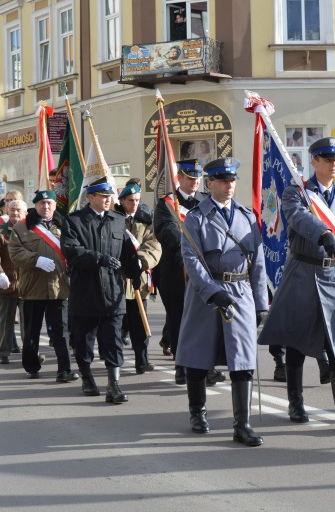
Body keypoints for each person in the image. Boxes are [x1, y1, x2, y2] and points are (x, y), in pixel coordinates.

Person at [259, 138, 335, 431]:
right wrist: (323, 232)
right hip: (304, 273)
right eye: (326, 158)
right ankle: (295, 403)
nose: (333, 163)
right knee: (297, 341)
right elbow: (297, 218)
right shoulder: (297, 193)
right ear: (314, 161)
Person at [175, 158, 267, 446]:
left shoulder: (247, 216)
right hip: (208, 293)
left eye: (232, 180)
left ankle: (242, 424)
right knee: (199, 356)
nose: (229, 186)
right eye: (222, 181)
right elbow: (191, 258)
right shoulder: (196, 217)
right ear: (209, 183)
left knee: (243, 358)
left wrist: (261, 302)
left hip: (239, 291)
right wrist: (212, 292)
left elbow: (258, 262)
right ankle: (197, 412)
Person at [62, 178, 142, 402]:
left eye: (110, 197)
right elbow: (72, 251)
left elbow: (127, 253)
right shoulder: (74, 221)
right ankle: (87, 377)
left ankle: (113, 385)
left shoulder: (117, 221)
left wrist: (135, 275)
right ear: (90, 197)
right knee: (84, 340)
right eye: (103, 197)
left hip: (113, 293)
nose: (108, 200)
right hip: (86, 291)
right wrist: (99, 259)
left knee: (113, 341)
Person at [152, 159, 225, 387]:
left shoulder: (205, 201)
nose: (194, 183)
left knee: (204, 320)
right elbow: (168, 234)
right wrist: (193, 246)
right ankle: (181, 366)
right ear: (180, 179)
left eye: (197, 179)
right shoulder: (166, 205)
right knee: (179, 319)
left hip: (203, 270)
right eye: (190, 178)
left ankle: (207, 367)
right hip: (174, 270)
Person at [8, 190, 77, 381]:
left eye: (49, 203)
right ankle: (31, 365)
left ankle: (65, 370)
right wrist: (35, 260)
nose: (46, 207)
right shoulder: (22, 228)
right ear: (35, 205)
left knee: (61, 332)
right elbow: (14, 252)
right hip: (33, 287)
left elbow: (74, 247)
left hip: (59, 286)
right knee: (32, 331)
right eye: (41, 203)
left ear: (55, 205)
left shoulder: (65, 224)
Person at [114, 182, 162, 374]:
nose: (134, 204)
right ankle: (115, 362)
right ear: (122, 201)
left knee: (139, 324)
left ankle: (142, 360)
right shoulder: (114, 220)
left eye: (137, 200)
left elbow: (153, 245)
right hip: (117, 280)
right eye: (130, 200)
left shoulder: (145, 220)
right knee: (117, 324)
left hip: (138, 279)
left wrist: (141, 262)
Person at [0, 198, 26, 364]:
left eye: (18, 210)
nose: (15, 213)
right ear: (6, 212)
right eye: (12, 210)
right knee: (5, 320)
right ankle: (3, 352)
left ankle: (31, 352)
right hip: (7, 282)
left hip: (27, 283)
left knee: (28, 322)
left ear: (25, 213)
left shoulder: (30, 230)